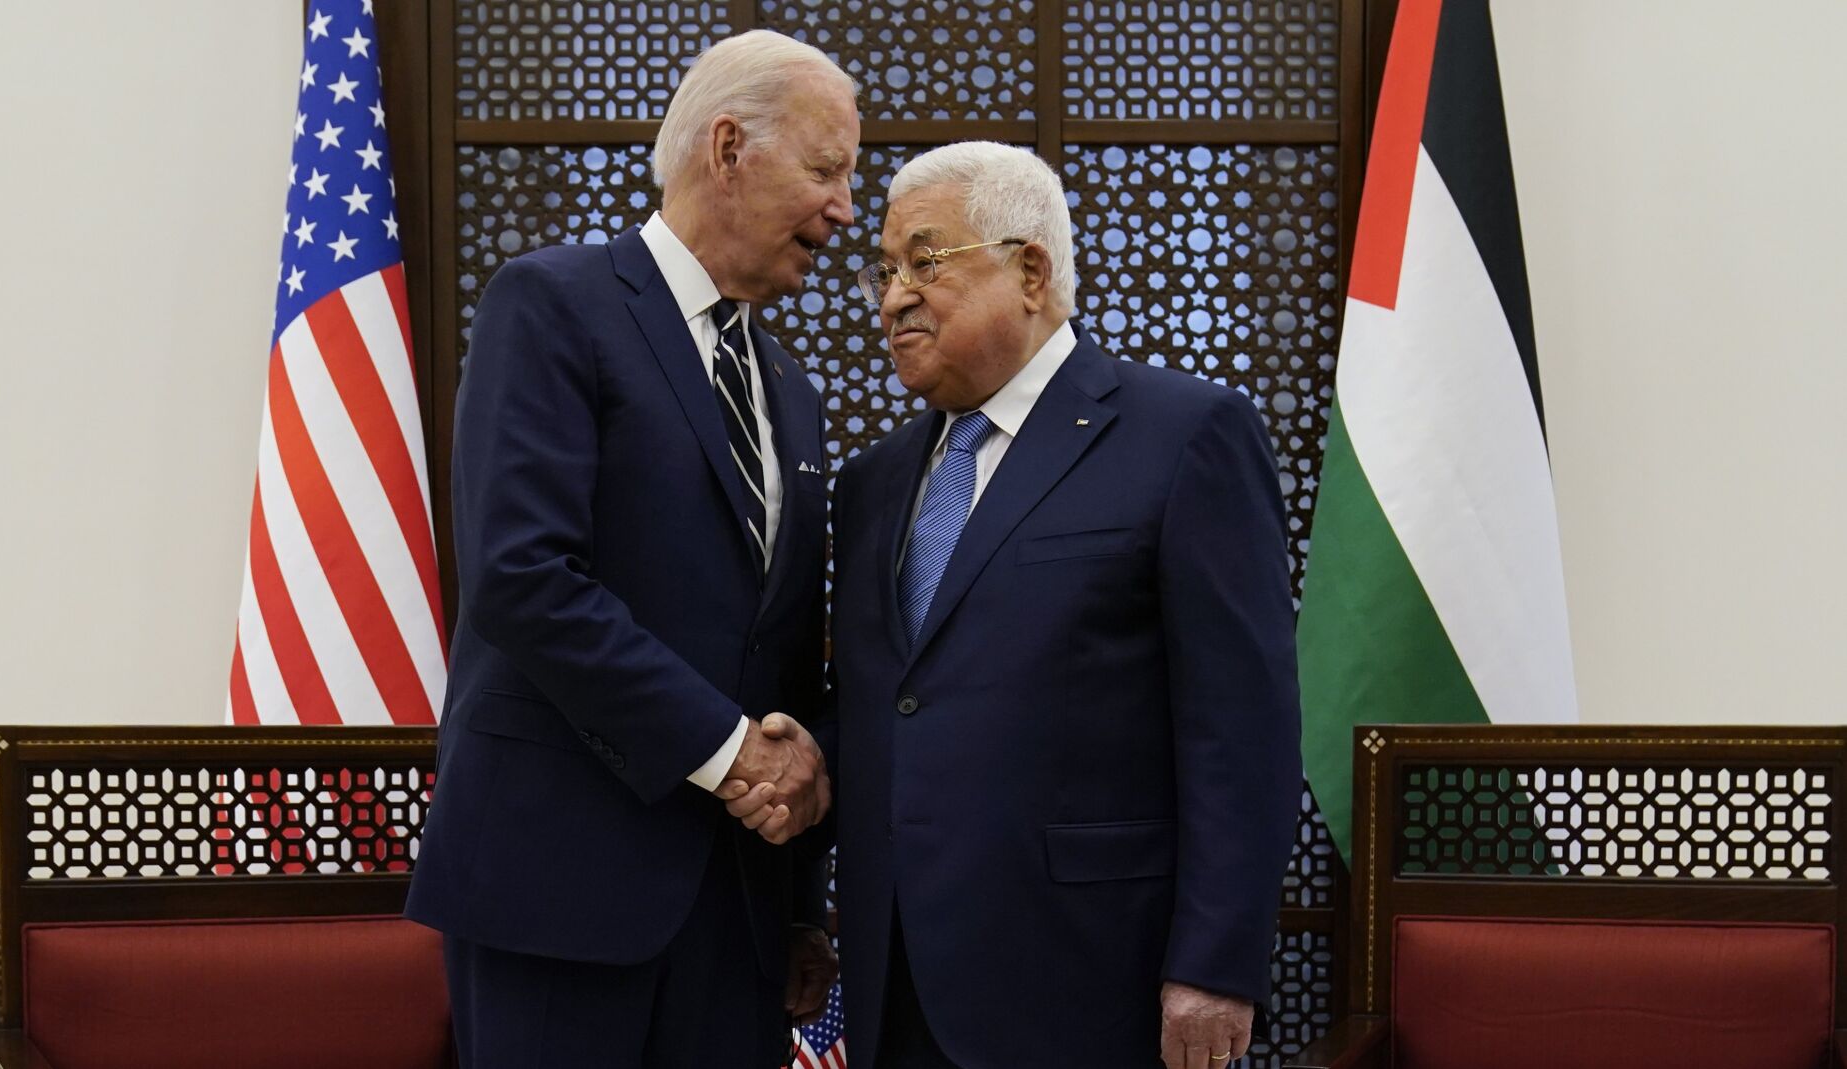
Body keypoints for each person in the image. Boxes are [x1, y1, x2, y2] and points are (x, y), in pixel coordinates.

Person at [730, 142, 1302, 1069]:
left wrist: (1216, 962)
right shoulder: (874, 483)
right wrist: (805, 838)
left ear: (1031, 270)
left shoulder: (1185, 436)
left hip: (1090, 981)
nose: (892, 298)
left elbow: (1243, 726)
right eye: (885, 270)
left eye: (925, 261)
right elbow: (887, 705)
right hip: (892, 981)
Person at [404, 30, 857, 1068]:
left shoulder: (790, 389)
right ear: (729, 148)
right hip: (559, 889)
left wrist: (799, 899)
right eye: (826, 170)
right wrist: (728, 751)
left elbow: (781, 655)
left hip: (736, 913)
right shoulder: (552, 304)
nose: (843, 209)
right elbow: (523, 578)